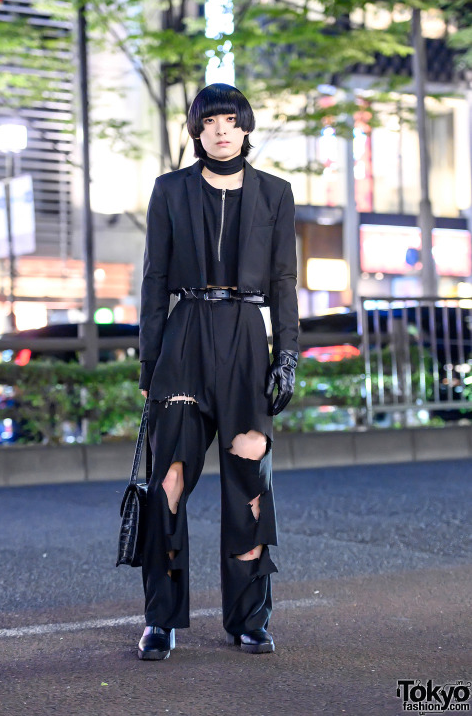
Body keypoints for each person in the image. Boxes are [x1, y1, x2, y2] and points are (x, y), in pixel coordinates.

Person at [137, 82, 299, 660]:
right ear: (197, 130)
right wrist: (149, 366)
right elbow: (154, 280)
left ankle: (248, 617)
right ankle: (161, 619)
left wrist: (287, 355)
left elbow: (283, 281)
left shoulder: (276, 194)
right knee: (170, 482)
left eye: (231, 119)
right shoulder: (170, 191)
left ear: (246, 126)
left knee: (249, 481)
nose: (221, 130)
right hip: (185, 336)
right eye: (210, 122)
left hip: (246, 335)